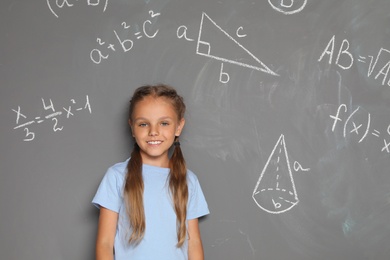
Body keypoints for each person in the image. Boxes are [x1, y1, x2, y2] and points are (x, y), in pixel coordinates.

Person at [92, 84, 209, 260]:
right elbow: (105, 244)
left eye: (164, 123)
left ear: (178, 126)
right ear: (132, 127)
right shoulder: (116, 176)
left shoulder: (188, 181)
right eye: (144, 124)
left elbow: (193, 244)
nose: (153, 132)